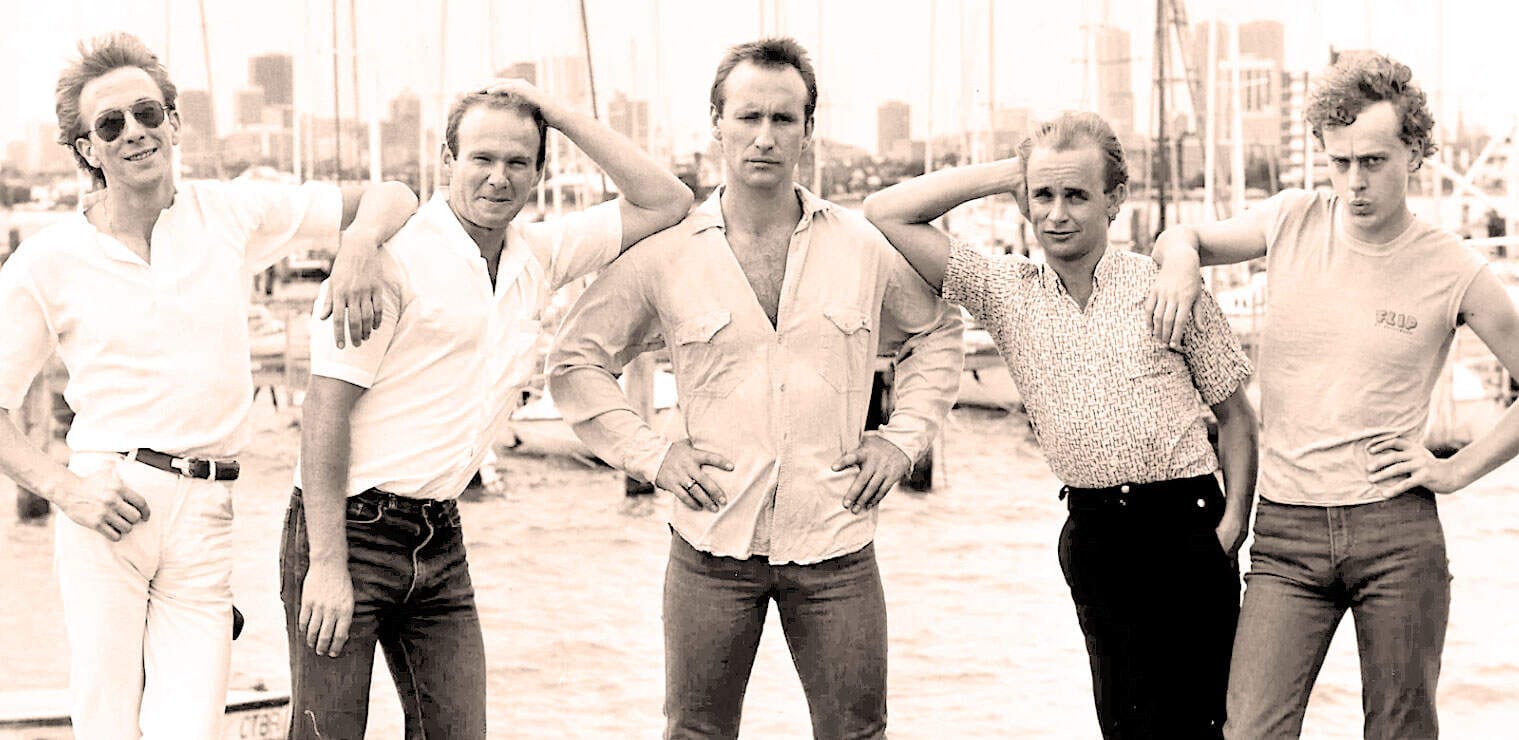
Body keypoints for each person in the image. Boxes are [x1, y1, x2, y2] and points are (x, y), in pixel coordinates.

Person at [0, 32, 416, 738]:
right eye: (110, 125)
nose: (134, 132)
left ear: (174, 122)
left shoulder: (229, 213)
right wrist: (65, 487)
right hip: (108, 505)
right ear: (85, 150)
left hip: (210, 509)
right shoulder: (48, 261)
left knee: (190, 726)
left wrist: (356, 248)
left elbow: (391, 193)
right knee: (105, 724)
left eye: (147, 113)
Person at [548, 37, 963, 739]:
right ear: (716, 123)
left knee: (858, 734)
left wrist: (900, 440)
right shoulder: (666, 256)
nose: (764, 137)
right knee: (695, 734)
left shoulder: (861, 247)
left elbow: (936, 333)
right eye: (747, 118)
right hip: (709, 548)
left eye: (782, 118)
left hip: (835, 544)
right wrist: (652, 456)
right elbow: (574, 360)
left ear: (807, 128)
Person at [282, 78, 693, 738]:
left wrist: (554, 111)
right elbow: (324, 410)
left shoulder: (538, 255)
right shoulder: (390, 261)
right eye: (480, 158)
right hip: (347, 528)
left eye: (517, 162)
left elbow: (667, 200)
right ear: (446, 162)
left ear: (537, 171)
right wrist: (327, 566)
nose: (497, 178)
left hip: (439, 535)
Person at [1147, 51, 1519, 738]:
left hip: (1396, 532)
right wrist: (1177, 267)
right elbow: (1185, 234)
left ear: (1414, 153)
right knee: (1250, 728)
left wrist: (1456, 470)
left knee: (1399, 730)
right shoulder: (1291, 218)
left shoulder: (1454, 269)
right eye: (1339, 161)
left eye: (1373, 161)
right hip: (1286, 533)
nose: (1354, 182)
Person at [864, 111, 1258, 739]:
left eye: (1076, 194)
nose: (1058, 213)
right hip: (1096, 533)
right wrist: (1010, 173)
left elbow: (1236, 416)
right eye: (1043, 195)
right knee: (1123, 723)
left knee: (1205, 723)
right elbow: (886, 212)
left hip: (1187, 525)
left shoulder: (1164, 285)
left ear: (1115, 201)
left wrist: (1233, 523)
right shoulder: (1003, 291)